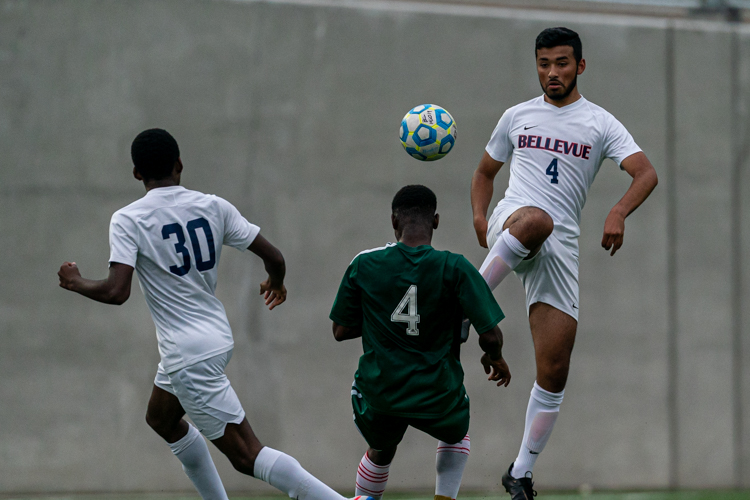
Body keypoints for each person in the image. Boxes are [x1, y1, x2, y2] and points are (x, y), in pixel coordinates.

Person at [57, 128, 359, 500]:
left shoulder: (128, 219)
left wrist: (74, 282)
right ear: (179, 164)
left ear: (137, 173)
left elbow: (116, 291)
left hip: (186, 353)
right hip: (214, 338)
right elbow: (275, 257)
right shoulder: (213, 206)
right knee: (162, 418)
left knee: (248, 456)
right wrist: (275, 282)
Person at [469, 28, 658, 499]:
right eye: (543, 63)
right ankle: (465, 297)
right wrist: (478, 214)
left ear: (580, 66)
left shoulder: (599, 123)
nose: (552, 72)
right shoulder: (517, 116)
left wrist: (617, 211)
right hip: (517, 221)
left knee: (554, 371)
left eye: (561, 63)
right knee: (537, 220)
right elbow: (485, 173)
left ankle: (521, 472)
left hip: (560, 248)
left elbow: (645, 172)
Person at [330, 184, 512, 500]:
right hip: (437, 394)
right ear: (436, 221)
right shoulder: (455, 267)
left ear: (393, 221)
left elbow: (340, 330)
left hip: (381, 392)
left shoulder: (365, 264)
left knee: (381, 447)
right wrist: (494, 356)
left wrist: (381, 320)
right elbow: (491, 334)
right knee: (456, 435)